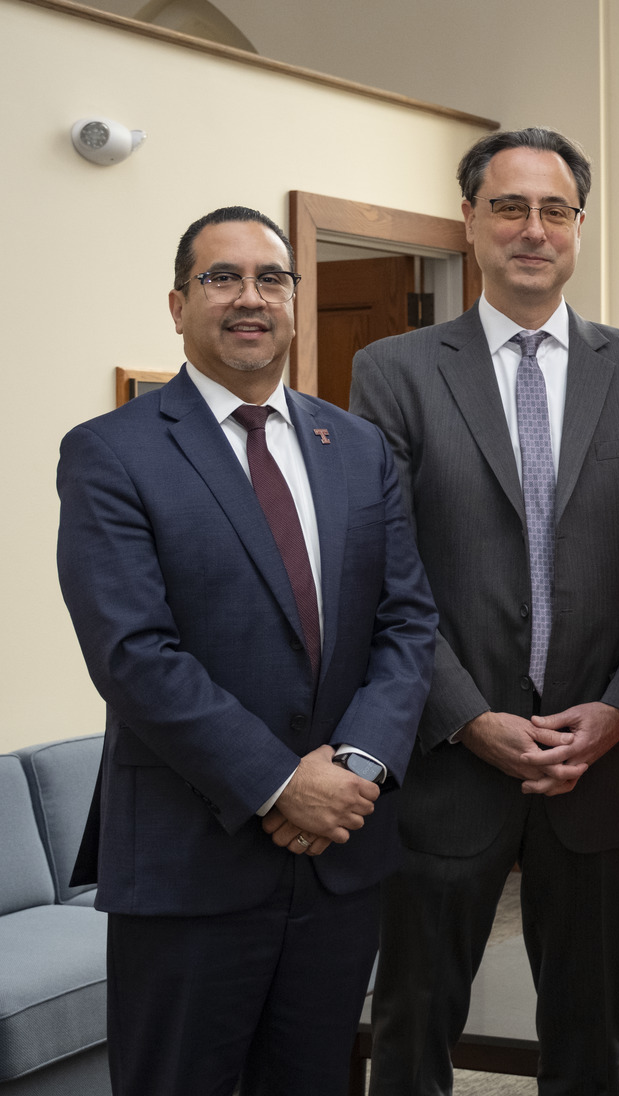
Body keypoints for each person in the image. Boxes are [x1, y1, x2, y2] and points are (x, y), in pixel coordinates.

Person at [55, 206, 438, 1095]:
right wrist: (280, 782)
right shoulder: (111, 454)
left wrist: (355, 770)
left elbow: (407, 623)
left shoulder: (360, 448)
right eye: (221, 278)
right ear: (178, 304)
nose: (249, 298)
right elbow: (133, 654)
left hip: (340, 853)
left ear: (296, 302)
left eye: (270, 278)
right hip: (191, 863)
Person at [349, 127, 619, 1096]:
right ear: (470, 222)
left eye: (554, 210)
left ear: (579, 226)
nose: (532, 229)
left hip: (598, 761)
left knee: (588, 1031)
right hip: (448, 758)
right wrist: (466, 715)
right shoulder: (397, 369)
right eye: (509, 207)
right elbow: (387, 568)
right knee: (415, 1020)